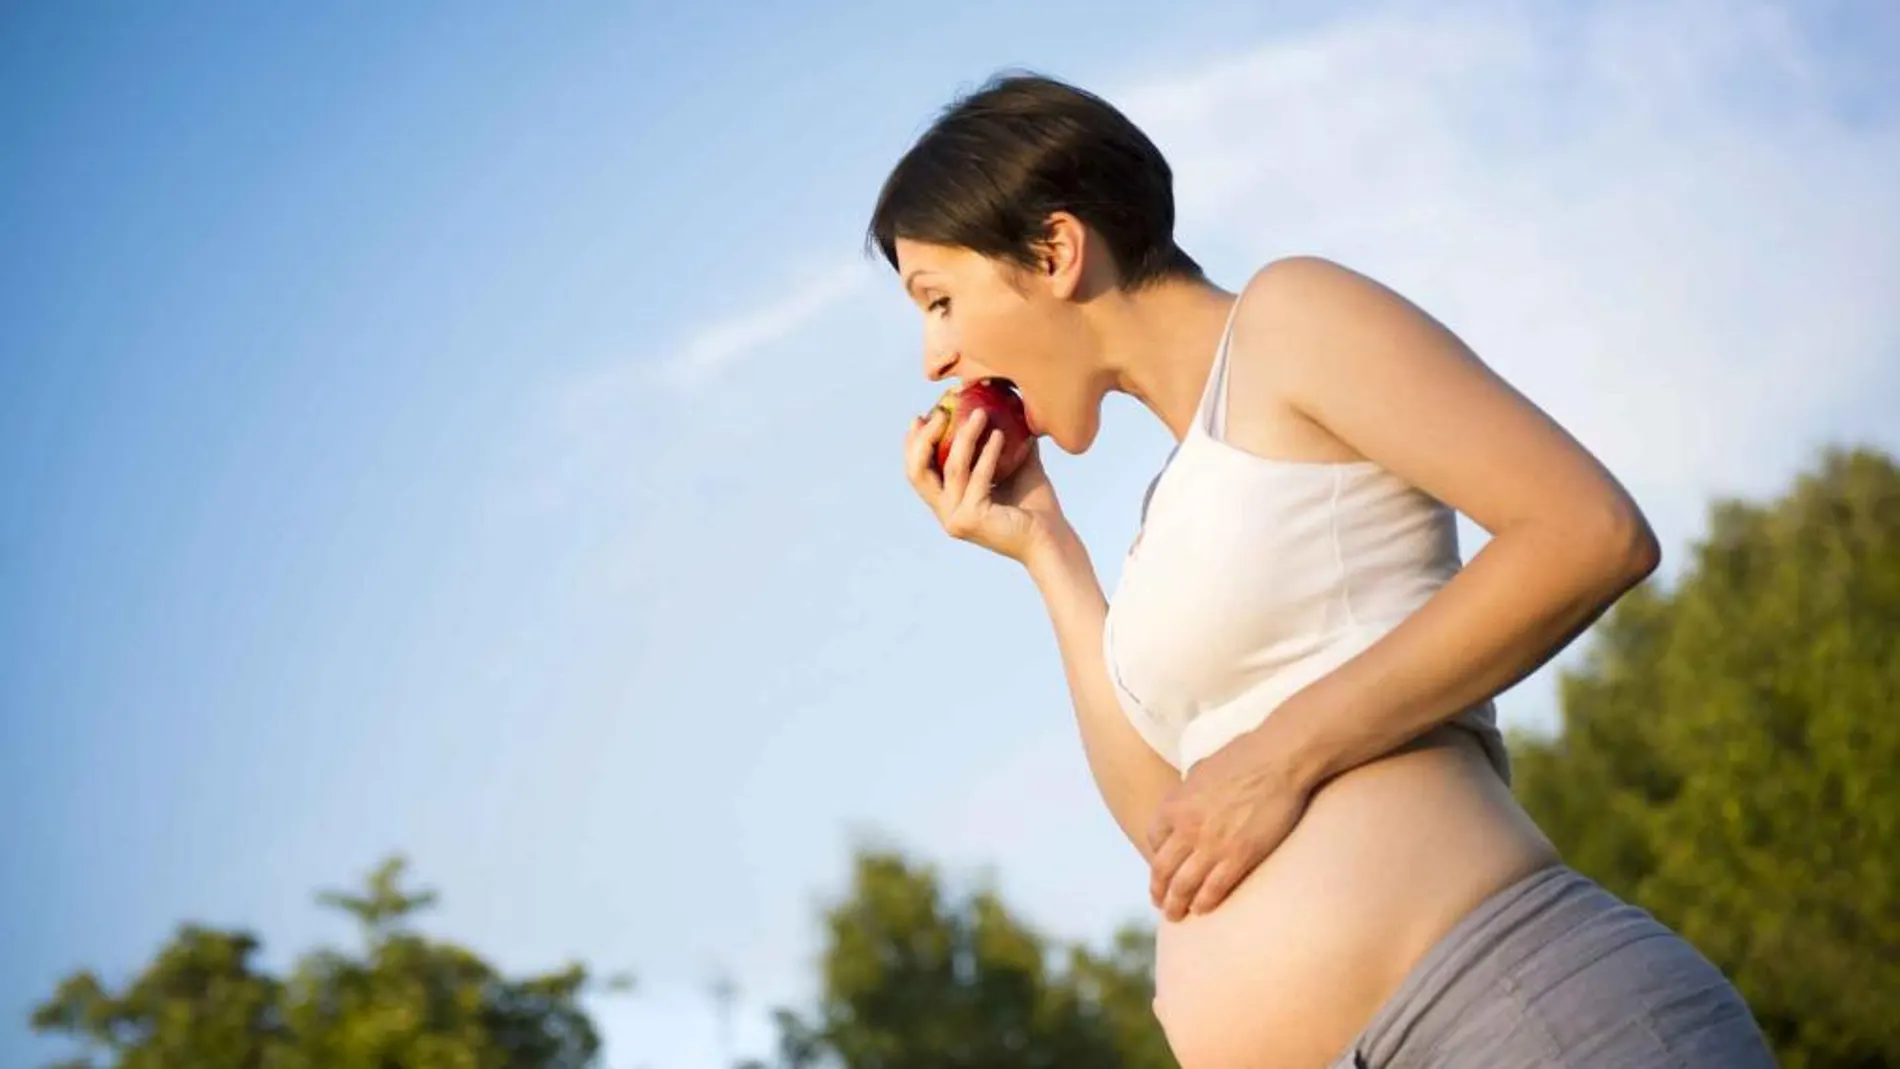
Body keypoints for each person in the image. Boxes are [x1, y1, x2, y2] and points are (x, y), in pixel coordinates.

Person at [874, 71, 1777, 1069]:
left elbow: (1588, 531)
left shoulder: (1289, 317)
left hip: (1505, 1014)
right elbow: (1177, 836)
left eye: (940, 300)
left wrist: (1280, 755)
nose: (935, 357)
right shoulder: (1169, 515)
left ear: (1053, 250)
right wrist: (1045, 544)